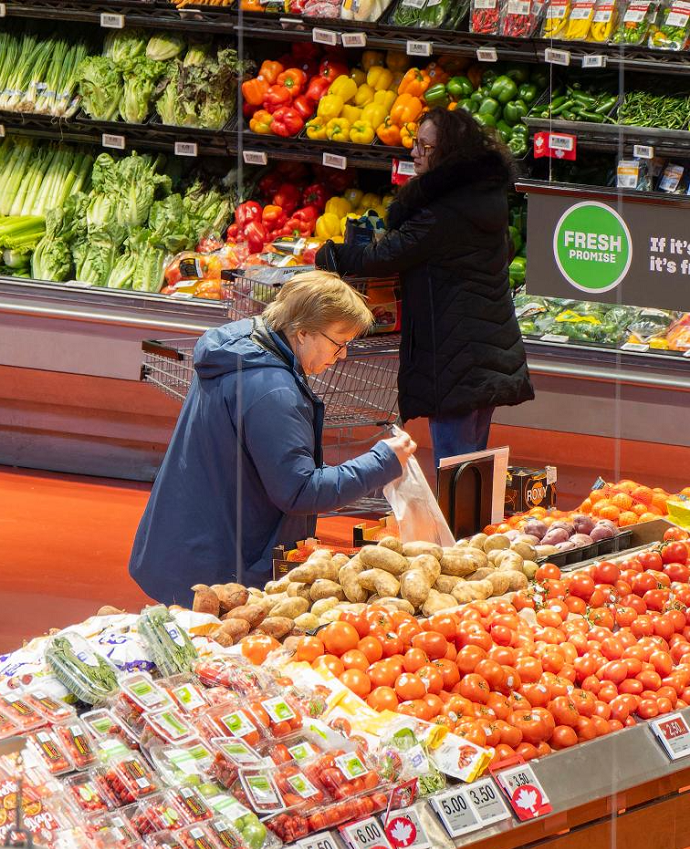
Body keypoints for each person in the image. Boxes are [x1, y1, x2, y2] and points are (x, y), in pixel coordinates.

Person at [129, 270, 416, 605]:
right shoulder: (272, 391)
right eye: (339, 342)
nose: (342, 355)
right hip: (220, 568)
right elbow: (299, 491)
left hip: (188, 542)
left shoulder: (239, 350)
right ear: (303, 331)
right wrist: (383, 462)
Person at [316, 107, 534, 472]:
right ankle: (473, 527)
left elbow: (387, 254)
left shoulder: (443, 210)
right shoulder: (484, 196)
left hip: (456, 354)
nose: (415, 152)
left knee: (454, 467)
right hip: (487, 349)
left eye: (426, 147)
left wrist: (334, 253)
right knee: (471, 462)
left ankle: (457, 529)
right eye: (415, 144)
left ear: (450, 152)